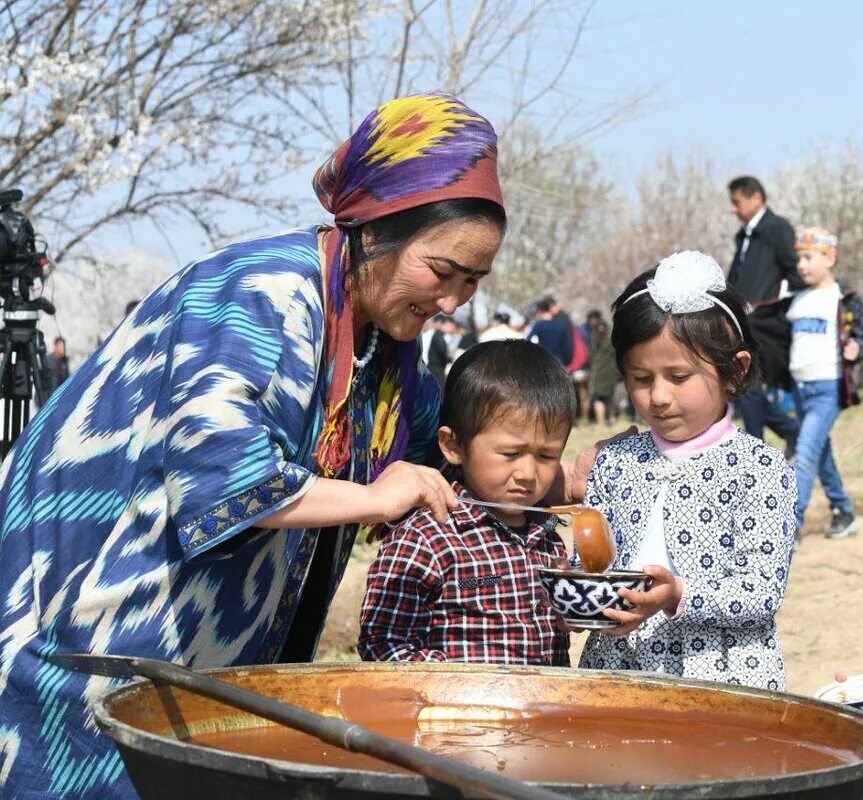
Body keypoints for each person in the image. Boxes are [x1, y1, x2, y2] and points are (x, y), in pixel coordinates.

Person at [0, 93, 601, 799]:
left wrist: (560, 478)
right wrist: (375, 495)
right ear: (375, 230)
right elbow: (218, 475)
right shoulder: (259, 292)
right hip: (81, 639)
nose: (453, 302)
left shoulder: (385, 352)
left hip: (195, 674)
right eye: (442, 272)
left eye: (472, 282)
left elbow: (453, 453)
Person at [578, 251, 796, 691]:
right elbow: (587, 556)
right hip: (616, 673)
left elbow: (760, 592)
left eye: (678, 377)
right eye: (641, 379)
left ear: (735, 369)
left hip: (721, 680)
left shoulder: (761, 468)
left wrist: (678, 595)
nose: (658, 396)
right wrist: (579, 595)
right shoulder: (616, 461)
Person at [358, 340, 573, 665]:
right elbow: (382, 642)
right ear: (453, 445)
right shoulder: (427, 537)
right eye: (510, 454)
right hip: (456, 713)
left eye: (546, 456)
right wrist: (460, 688)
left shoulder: (547, 538)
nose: (528, 473)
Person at [762, 228, 863, 540]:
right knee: (819, 450)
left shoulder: (844, 299)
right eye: (799, 259)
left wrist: (857, 348)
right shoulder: (795, 301)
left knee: (806, 451)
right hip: (799, 388)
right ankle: (844, 511)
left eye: (808, 258)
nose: (801, 265)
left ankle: (788, 526)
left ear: (830, 258)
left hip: (827, 388)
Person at [727, 175, 800, 455]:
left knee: (747, 384)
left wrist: (775, 305)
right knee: (744, 386)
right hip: (743, 323)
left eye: (737, 202)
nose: (733, 209)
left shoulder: (777, 228)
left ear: (756, 197)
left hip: (765, 323)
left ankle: (754, 448)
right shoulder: (744, 236)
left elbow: (794, 271)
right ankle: (784, 434)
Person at [587, 318, 619, 425]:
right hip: (606, 373)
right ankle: (609, 419)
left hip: (604, 374)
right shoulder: (609, 341)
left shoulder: (595, 341)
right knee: (606, 398)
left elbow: (591, 357)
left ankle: (603, 421)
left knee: (601, 398)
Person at [527, 298, 573, 365]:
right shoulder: (561, 325)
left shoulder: (539, 325)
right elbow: (567, 347)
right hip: (558, 362)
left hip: (543, 360)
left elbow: (528, 341)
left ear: (540, 311)